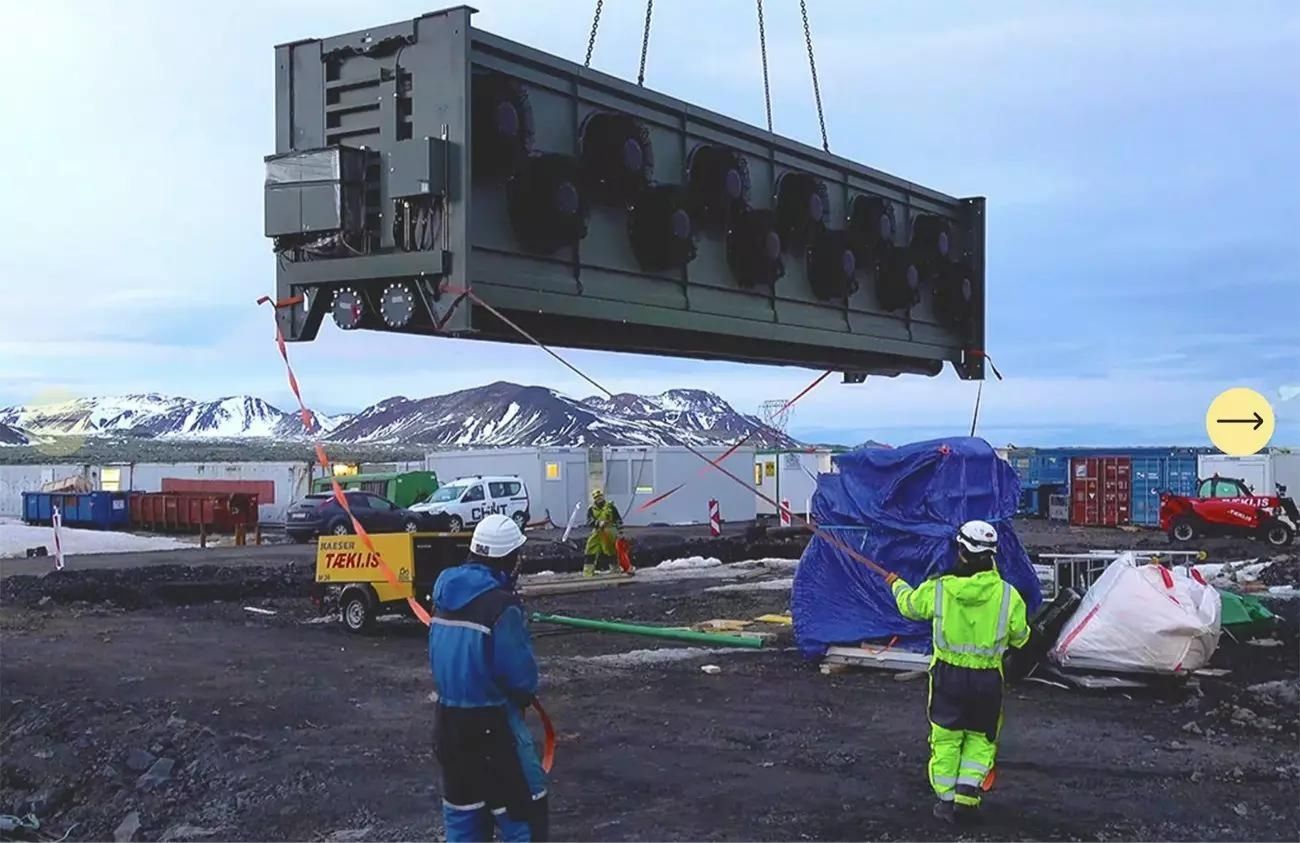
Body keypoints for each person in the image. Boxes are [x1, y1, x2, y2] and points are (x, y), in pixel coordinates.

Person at [887, 519, 1030, 826]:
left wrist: (896, 584)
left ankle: (946, 801)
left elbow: (910, 606)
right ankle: (968, 797)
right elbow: (1021, 637)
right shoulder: (1008, 596)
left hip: (948, 679)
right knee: (981, 737)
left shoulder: (940, 589)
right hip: (987, 681)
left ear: (961, 550)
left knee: (946, 739)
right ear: (992, 555)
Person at [429, 514, 548, 842]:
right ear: (509, 559)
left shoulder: (444, 598)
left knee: (463, 824)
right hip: (493, 729)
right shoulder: (501, 606)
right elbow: (520, 678)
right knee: (525, 818)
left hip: (448, 729)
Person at [583, 488, 626, 577]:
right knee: (590, 549)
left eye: (600, 497)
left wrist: (620, 532)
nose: (599, 499)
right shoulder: (591, 509)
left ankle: (615, 569)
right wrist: (598, 523)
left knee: (611, 551)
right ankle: (588, 572)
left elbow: (618, 520)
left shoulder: (610, 507)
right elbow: (589, 521)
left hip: (609, 531)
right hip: (597, 532)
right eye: (597, 497)